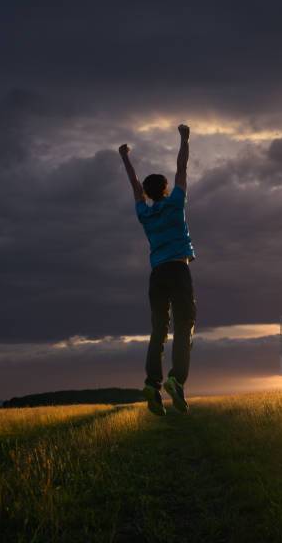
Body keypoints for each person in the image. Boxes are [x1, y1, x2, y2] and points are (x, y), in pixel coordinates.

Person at [118, 124, 196, 415]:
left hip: (157, 276)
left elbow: (133, 186)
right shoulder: (176, 203)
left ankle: (152, 383)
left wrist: (125, 157)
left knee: (158, 331)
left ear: (148, 194)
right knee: (185, 326)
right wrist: (184, 139)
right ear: (165, 189)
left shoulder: (145, 214)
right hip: (178, 271)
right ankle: (176, 380)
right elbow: (181, 167)